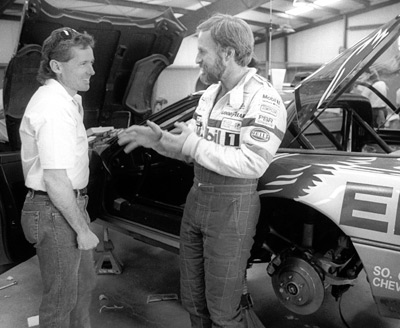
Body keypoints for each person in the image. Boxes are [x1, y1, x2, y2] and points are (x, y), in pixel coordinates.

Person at [118, 14, 287, 327]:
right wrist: (158, 141)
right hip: (198, 198)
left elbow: (253, 162)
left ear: (227, 53)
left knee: (224, 309)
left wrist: (192, 145)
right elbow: (192, 152)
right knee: (193, 300)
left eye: (202, 52)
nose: (196, 59)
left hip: (232, 205)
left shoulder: (264, 98)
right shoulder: (209, 95)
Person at [19, 27, 99, 328]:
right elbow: (54, 180)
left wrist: (86, 138)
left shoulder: (68, 99)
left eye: (91, 62)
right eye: (83, 63)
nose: (92, 70)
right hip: (55, 209)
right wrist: (82, 229)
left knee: (83, 286)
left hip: (64, 204)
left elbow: (61, 152)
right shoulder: (53, 107)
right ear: (56, 66)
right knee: (61, 300)